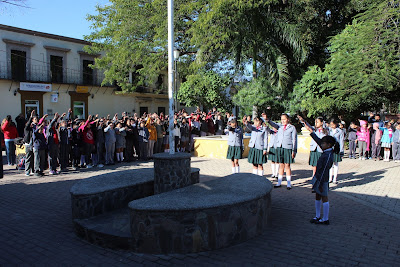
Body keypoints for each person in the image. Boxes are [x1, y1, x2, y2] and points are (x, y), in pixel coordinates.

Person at [298, 115, 338, 225]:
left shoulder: (328, 155)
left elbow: (324, 170)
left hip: (322, 179)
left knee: (324, 197)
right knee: (317, 196)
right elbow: (316, 139)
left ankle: (325, 218)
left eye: (323, 144)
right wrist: (308, 127)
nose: (321, 145)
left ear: (329, 145)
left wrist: (319, 182)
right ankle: (317, 216)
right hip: (319, 178)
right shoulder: (327, 151)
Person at [266, 113, 297, 189]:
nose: (283, 121)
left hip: (288, 148)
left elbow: (294, 140)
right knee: (281, 165)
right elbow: (272, 124)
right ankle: (279, 182)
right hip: (280, 147)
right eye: (282, 119)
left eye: (284, 119)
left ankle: (288, 183)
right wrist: (267, 119)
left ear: (288, 119)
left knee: (287, 166)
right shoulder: (279, 126)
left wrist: (294, 150)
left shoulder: (292, 128)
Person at [327, 119, 344, 184]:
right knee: (330, 164)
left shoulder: (340, 131)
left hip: (336, 148)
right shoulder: (329, 130)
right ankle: (330, 178)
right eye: (331, 124)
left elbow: (341, 141)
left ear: (336, 124)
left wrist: (341, 151)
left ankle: (335, 178)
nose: (331, 126)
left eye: (333, 124)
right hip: (330, 148)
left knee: (336, 164)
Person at [23, 110, 38, 176]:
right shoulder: (27, 129)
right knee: (28, 158)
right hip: (28, 144)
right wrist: (31, 117)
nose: (36, 120)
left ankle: (32, 170)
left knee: (33, 158)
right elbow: (27, 125)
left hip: (33, 144)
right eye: (35, 119)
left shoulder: (34, 128)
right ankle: (27, 171)